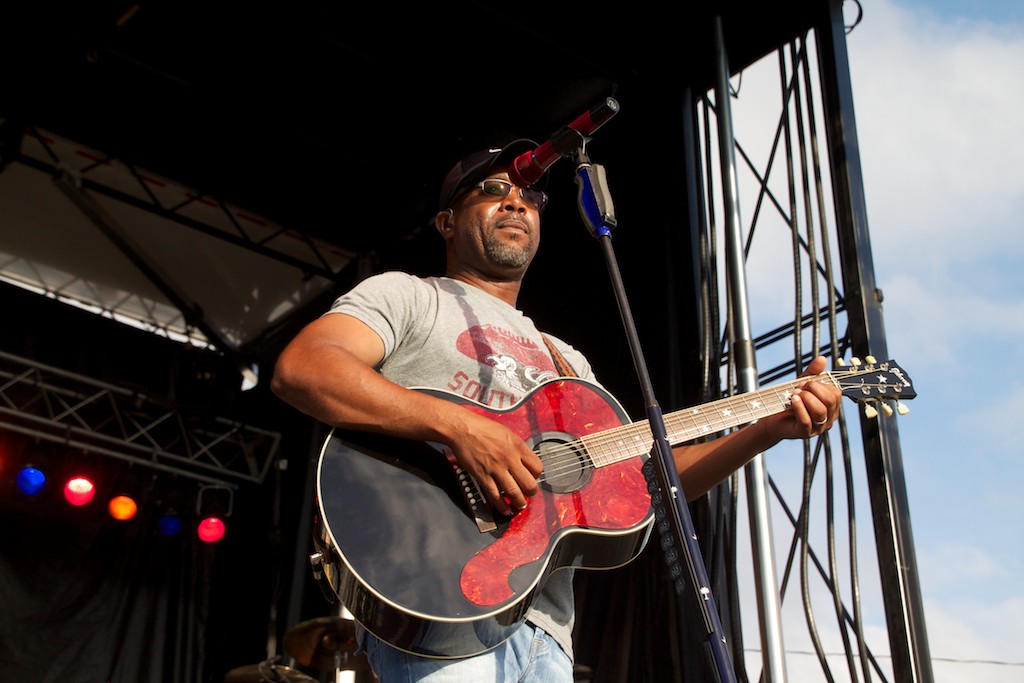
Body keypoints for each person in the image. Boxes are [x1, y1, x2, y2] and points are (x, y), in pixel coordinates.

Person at [270, 138, 842, 682]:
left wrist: (768, 429)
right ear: (446, 221)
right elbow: (305, 369)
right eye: (493, 189)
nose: (517, 200)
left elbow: (646, 485)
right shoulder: (411, 295)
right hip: (436, 594)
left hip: (548, 631)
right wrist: (460, 426)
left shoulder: (567, 361)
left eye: (531, 196)